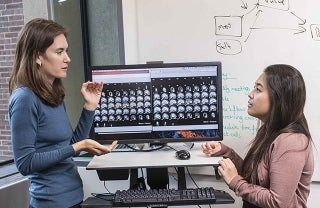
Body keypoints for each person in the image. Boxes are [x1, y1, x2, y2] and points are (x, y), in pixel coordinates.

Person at [8, 18, 117, 208]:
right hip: (50, 203)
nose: (68, 58)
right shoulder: (25, 99)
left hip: (73, 197)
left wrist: (89, 107)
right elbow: (25, 163)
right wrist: (77, 147)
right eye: (59, 52)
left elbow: (69, 146)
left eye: (66, 51)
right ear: (37, 57)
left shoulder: (53, 93)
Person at [202, 64, 314, 208]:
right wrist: (225, 152)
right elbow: (255, 178)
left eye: (258, 89)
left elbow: (278, 202)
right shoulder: (268, 131)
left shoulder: (291, 142)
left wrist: (235, 182)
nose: (250, 93)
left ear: (278, 98)